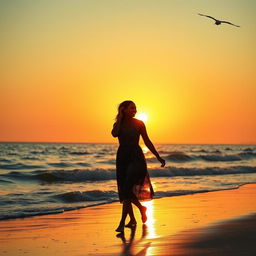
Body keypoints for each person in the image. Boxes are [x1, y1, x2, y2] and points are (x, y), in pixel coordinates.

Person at [111, 100, 165, 233]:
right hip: (123, 158)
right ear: (123, 109)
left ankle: (122, 222)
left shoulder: (139, 124)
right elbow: (114, 134)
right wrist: (120, 117)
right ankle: (138, 214)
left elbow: (147, 140)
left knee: (127, 190)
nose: (134, 110)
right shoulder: (119, 124)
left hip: (136, 158)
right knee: (125, 192)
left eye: (135, 108)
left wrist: (158, 156)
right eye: (131, 108)